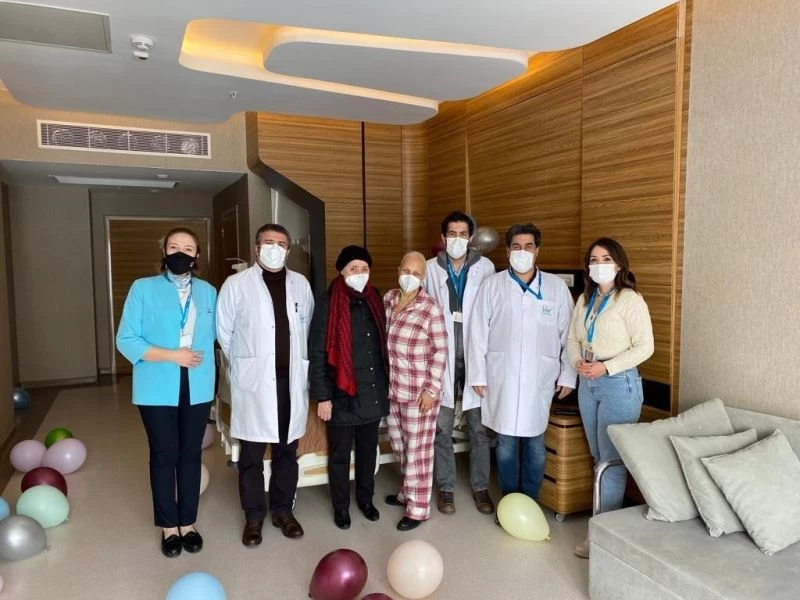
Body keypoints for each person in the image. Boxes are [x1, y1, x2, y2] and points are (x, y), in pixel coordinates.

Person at [116, 227, 217, 558]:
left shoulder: (208, 292)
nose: (180, 252)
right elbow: (126, 339)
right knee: (163, 454)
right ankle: (168, 526)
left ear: (197, 255)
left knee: (190, 453)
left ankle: (188, 522)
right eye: (174, 246)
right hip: (156, 384)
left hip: (198, 383)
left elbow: (223, 333)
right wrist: (174, 356)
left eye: (188, 247)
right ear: (164, 251)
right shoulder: (143, 289)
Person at [216, 223, 314, 546]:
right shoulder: (236, 285)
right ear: (257, 248)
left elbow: (307, 327)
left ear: (288, 250)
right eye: (268, 242)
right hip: (255, 384)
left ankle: (283, 511)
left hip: (290, 382)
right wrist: (247, 364)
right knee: (251, 454)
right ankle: (254, 516)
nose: (275, 248)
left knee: (287, 450)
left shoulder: (300, 285)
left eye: (281, 243)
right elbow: (224, 332)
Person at [468, 223, 576, 505]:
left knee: (535, 443)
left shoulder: (555, 288)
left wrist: (568, 375)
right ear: (507, 251)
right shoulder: (492, 286)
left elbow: (569, 336)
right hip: (501, 375)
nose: (522, 252)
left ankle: (530, 500)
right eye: (516, 246)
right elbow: (477, 333)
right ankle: (509, 499)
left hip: (540, 377)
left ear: (537, 251)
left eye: (528, 246)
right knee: (504, 443)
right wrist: (477, 374)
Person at [567, 237, 654, 559]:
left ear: (618, 265)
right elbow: (573, 339)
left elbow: (645, 347)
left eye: (606, 259)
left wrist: (606, 367)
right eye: (594, 259)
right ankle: (602, 527)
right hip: (588, 382)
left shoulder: (630, 300)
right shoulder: (585, 299)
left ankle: (601, 537)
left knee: (610, 462)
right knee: (598, 458)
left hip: (618, 383)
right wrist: (577, 361)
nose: (599, 264)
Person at [309, 246, 389, 530]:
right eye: (353, 268)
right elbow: (318, 352)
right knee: (340, 456)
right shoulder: (327, 303)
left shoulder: (375, 298)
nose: (359, 273)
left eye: (364, 268)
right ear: (342, 271)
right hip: (340, 393)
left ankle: (366, 500)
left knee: (368, 451)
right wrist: (323, 396)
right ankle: (341, 506)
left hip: (372, 390)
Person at [423, 211, 496, 515]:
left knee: (479, 429)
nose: (457, 239)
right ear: (443, 238)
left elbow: (492, 312)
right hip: (441, 358)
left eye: (462, 234)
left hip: (476, 357)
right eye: (451, 234)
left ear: (471, 237)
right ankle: (446, 488)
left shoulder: (486, 268)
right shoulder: (429, 269)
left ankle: (481, 487)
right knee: (441, 429)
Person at [384, 252, 448, 531]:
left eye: (417, 273)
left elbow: (440, 351)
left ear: (424, 277)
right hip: (392, 389)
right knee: (399, 445)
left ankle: (418, 508)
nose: (410, 277)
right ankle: (406, 492)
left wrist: (431, 390)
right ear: (399, 269)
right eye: (406, 271)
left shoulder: (430, 307)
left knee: (418, 451)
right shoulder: (389, 299)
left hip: (419, 393)